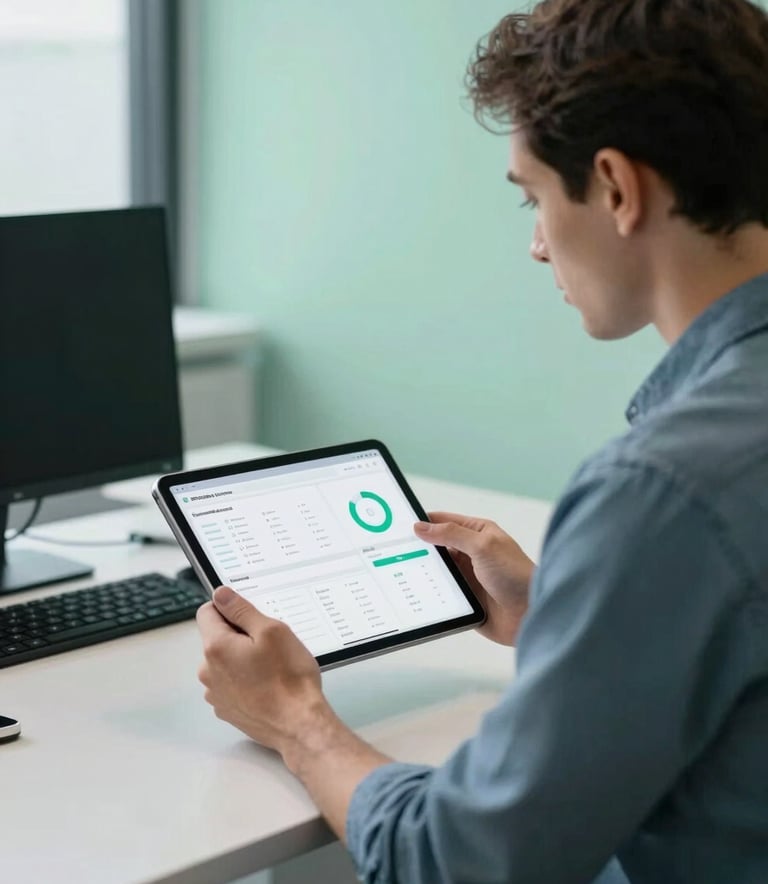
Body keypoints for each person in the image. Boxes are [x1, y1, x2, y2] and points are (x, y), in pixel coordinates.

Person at [195, 0, 768, 880]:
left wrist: (294, 718)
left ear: (617, 188)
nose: (538, 246)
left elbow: (467, 860)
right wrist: (562, 615)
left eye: (534, 195)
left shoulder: (663, 489)